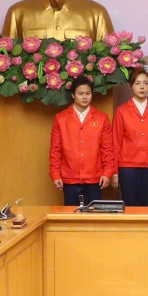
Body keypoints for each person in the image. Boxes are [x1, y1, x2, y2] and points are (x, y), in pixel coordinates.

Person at [49, 75, 113, 207]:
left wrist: (107, 173)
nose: (85, 97)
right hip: (70, 178)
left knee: (94, 216)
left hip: (95, 178)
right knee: (71, 216)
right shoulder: (60, 118)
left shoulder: (102, 118)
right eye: (81, 93)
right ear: (73, 95)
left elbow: (107, 149)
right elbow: (55, 150)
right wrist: (55, 174)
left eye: (88, 93)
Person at [109, 68, 148, 206]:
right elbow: (115, 143)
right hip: (128, 168)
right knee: (129, 205)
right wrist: (114, 172)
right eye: (138, 83)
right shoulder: (122, 111)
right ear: (130, 86)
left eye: (145, 83)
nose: (142, 87)